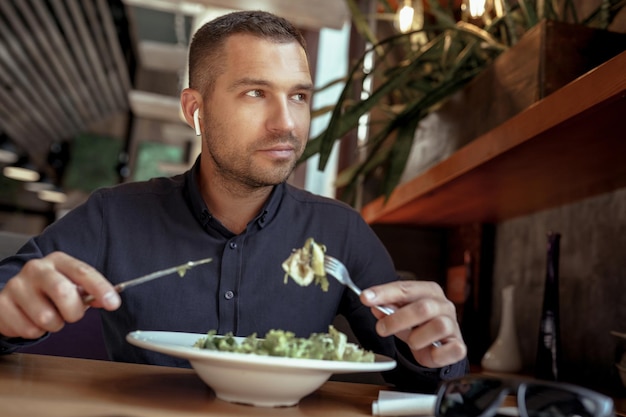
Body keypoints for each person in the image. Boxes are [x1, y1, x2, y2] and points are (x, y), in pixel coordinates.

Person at [0, 10, 467, 391]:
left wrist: (432, 353)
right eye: (255, 93)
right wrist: (8, 309)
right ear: (194, 110)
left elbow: (414, 371)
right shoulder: (114, 215)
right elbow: (13, 287)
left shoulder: (340, 232)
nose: (286, 123)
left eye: (299, 96)